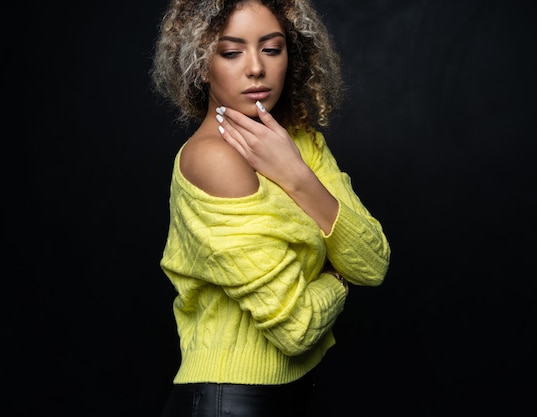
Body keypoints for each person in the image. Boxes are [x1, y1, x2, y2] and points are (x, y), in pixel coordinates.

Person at [150, 0, 391, 415]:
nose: (256, 68)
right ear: (200, 65)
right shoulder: (212, 160)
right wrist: (338, 278)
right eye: (231, 52)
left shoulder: (301, 144)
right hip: (227, 398)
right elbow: (296, 327)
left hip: (292, 395)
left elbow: (373, 263)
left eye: (271, 48)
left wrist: (295, 174)